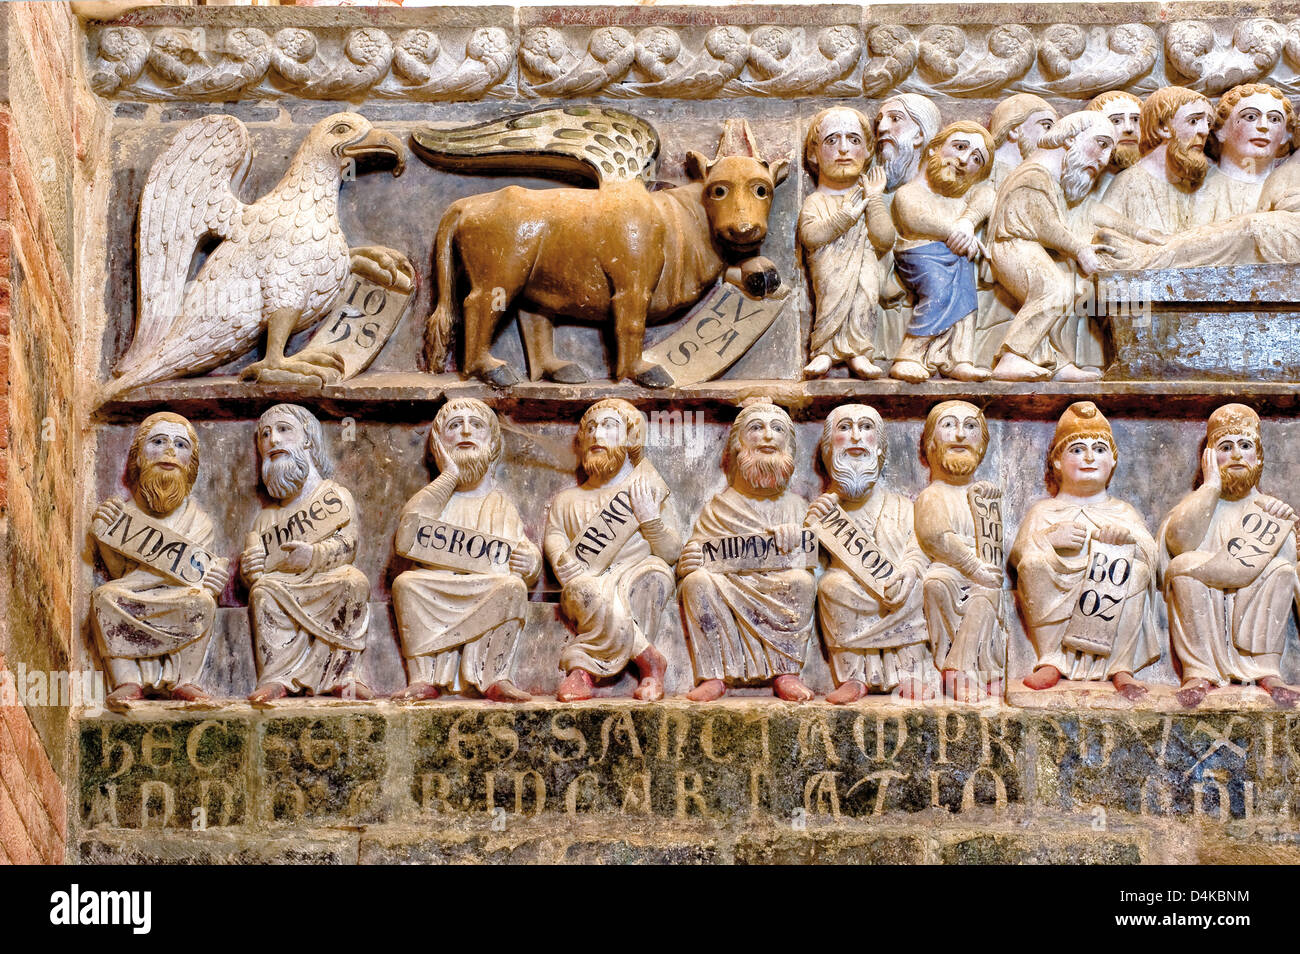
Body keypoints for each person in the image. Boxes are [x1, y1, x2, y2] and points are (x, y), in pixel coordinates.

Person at [988, 111, 1161, 382]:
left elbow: (1086, 213)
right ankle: (1010, 358)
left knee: (1064, 289)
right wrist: (1079, 249)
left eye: (1109, 150)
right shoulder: (1035, 174)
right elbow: (1045, 224)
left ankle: (1055, 362)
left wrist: (1139, 232)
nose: (1104, 160)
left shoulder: (1051, 179)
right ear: (1070, 138)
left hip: (1026, 246)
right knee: (1052, 290)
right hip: (1014, 245)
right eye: (1101, 144)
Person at [391, 399, 540, 702]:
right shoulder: (436, 496)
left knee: (511, 586)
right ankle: (423, 677)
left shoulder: (499, 503)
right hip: (437, 586)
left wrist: (530, 563)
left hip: (482, 587)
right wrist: (449, 476)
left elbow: (517, 551)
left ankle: (495, 675)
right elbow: (408, 533)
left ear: (493, 443)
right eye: (454, 426)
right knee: (406, 584)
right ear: (438, 444)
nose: (465, 432)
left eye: (476, 425)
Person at [1010, 402, 1159, 699]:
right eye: (1077, 450)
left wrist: (1127, 540)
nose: (1090, 457)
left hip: (1110, 600)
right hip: (1060, 591)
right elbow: (1018, 555)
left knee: (1137, 571)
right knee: (1033, 566)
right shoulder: (1045, 511)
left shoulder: (1122, 510)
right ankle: (1050, 659)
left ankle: (1120, 665)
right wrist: (1049, 539)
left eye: (1100, 450)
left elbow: (1152, 556)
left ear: (1113, 461)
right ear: (1057, 462)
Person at [1158, 404, 1300, 709]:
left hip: (1252, 610)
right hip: (1205, 601)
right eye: (1225, 447)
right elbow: (1179, 543)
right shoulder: (1199, 505)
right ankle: (1199, 671)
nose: (1236, 454)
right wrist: (1210, 487)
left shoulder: (1269, 511)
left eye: (1245, 446)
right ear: (1209, 458)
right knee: (1183, 568)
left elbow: (1289, 563)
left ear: (1258, 458)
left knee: (1281, 570)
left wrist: (1285, 527)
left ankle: (1266, 670)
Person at [544, 399, 679, 702]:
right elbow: (554, 535)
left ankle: (583, 669)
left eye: (608, 426)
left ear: (631, 439)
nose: (596, 435)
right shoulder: (567, 500)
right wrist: (560, 560)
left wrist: (650, 520)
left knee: (653, 580)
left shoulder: (646, 491)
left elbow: (671, 552)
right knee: (581, 592)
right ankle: (650, 661)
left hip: (641, 570)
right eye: (590, 429)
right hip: (589, 577)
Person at [679, 401, 815, 702]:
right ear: (738, 445)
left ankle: (787, 671)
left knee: (802, 583)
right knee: (696, 583)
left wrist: (796, 540)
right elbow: (700, 551)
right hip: (729, 584)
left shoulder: (796, 506)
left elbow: (815, 559)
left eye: (777, 429)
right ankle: (713, 674)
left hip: (775, 585)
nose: (768, 435)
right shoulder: (719, 507)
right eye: (757, 427)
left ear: (789, 446)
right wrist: (689, 561)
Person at [91, 412, 226, 707]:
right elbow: (118, 573)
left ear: (191, 463)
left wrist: (210, 580)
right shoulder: (124, 514)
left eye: (180, 445)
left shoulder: (199, 521)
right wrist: (105, 537)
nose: (170, 451)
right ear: (139, 457)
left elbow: (197, 575)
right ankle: (127, 680)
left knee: (201, 602)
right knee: (104, 598)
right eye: (159, 441)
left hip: (178, 599)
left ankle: (184, 680)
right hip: (132, 597)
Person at [243, 404, 371, 702]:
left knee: (353, 581)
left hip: (327, 579)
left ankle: (344, 674)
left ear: (308, 440)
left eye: (284, 430)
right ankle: (276, 677)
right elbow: (257, 572)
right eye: (265, 435)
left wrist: (313, 555)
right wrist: (252, 569)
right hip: (283, 587)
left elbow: (348, 544)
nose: (273, 440)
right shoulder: (266, 518)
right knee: (263, 591)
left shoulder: (334, 496)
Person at [806, 404, 930, 702]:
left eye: (866, 428)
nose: (856, 437)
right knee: (831, 586)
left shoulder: (902, 506)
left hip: (896, 585)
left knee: (918, 587)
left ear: (879, 448)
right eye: (845, 428)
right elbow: (806, 560)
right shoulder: (824, 510)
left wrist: (910, 569)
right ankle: (853, 677)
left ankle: (911, 672)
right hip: (850, 589)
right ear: (828, 448)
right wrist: (812, 525)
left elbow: (920, 546)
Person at [890, 120, 997, 383]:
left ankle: (960, 359)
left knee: (967, 300)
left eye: (975, 159)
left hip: (956, 260)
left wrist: (967, 223)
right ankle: (908, 355)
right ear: (932, 149)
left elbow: (988, 196)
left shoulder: (965, 196)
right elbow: (915, 219)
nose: (963, 160)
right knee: (939, 292)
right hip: (919, 255)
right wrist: (956, 233)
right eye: (959, 147)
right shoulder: (909, 192)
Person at [914, 401, 1006, 703]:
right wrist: (974, 567)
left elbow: (993, 544)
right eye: (949, 425)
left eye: (970, 427)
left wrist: (987, 507)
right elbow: (937, 538)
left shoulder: (982, 493)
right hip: (950, 568)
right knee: (937, 582)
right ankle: (954, 669)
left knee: (989, 591)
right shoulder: (932, 495)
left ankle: (977, 668)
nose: (960, 435)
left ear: (982, 445)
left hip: (983, 573)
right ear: (930, 443)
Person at [799, 106, 895, 380]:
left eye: (853, 140)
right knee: (830, 296)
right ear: (813, 153)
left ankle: (859, 351)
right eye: (832, 140)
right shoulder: (816, 201)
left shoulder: (869, 200)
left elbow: (885, 239)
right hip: (829, 270)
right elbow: (811, 237)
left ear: (868, 151)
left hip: (865, 267)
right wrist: (844, 218)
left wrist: (874, 198)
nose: (843, 149)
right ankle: (824, 350)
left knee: (864, 298)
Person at [1102, 86, 1213, 235]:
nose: (1205, 131)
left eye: (1208, 123)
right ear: (1163, 127)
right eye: (1193, 121)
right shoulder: (1128, 185)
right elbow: (1107, 240)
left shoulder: (1199, 184)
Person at [1193, 83, 1292, 224]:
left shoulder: (1291, 187)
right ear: (1220, 130)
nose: (1263, 126)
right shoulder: (1197, 189)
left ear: (1285, 135)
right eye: (1251, 117)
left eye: (1274, 119)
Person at [988, 93, 1059, 189]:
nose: (1052, 137)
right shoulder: (981, 171)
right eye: (1047, 126)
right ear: (1014, 129)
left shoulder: (1046, 178)